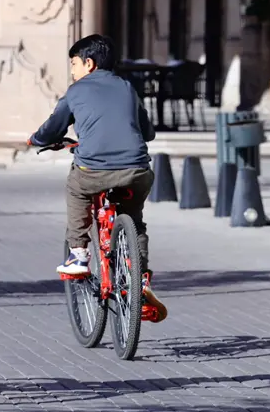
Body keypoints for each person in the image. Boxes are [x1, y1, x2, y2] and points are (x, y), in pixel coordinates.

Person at [26, 34, 167, 322]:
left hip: (94, 171)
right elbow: (148, 132)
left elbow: (53, 128)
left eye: (74, 64)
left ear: (88, 63)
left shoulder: (76, 91)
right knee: (134, 221)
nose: (72, 71)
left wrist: (36, 139)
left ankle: (78, 252)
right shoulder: (127, 87)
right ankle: (139, 280)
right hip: (137, 170)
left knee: (76, 187)